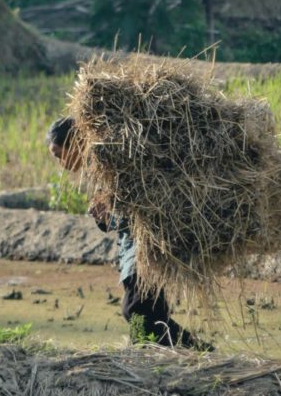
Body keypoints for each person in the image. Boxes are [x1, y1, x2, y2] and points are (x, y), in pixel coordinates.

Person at [46, 117, 212, 350]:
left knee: (136, 310)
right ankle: (151, 355)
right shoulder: (98, 171)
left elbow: (142, 208)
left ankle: (199, 353)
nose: (60, 162)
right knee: (147, 314)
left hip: (146, 246)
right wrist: (103, 215)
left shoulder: (113, 164)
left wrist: (109, 212)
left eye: (58, 153)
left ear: (74, 143)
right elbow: (116, 217)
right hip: (133, 249)